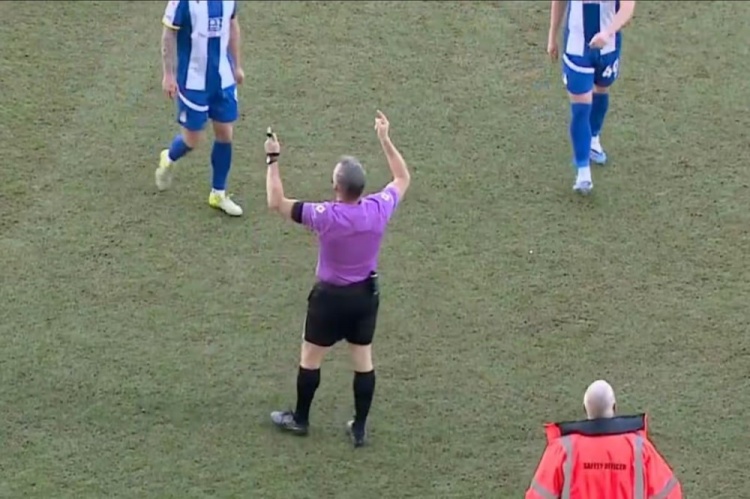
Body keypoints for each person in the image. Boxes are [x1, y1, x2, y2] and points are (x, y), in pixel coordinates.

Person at [263, 111, 410, 447]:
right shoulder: (378, 209)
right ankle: (359, 428)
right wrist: (385, 139)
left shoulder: (326, 216)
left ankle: (301, 419)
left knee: (310, 357)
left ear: (337, 187)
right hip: (364, 298)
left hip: (329, 300)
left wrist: (273, 159)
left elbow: (276, 202)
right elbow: (402, 178)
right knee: (363, 361)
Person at [156, 0, 244, 216]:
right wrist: (168, 74)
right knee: (193, 139)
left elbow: (232, 25)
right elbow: (168, 34)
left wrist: (237, 65)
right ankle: (169, 156)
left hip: (223, 79)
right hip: (193, 82)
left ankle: (218, 193)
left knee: (225, 134)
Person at [526, 380, 683, 499]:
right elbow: (670, 493)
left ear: (585, 409)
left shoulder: (562, 449)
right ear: (614, 407)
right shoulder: (639, 448)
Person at [547, 0, 637, 194]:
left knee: (601, 90)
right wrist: (552, 36)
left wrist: (608, 32)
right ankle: (583, 171)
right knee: (581, 107)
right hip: (577, 48)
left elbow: (628, 7)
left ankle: (594, 138)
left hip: (608, 47)